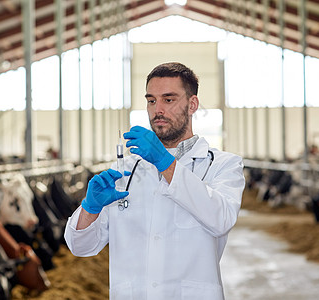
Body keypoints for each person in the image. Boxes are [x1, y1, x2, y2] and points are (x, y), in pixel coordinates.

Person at [64, 62, 245, 299]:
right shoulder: (125, 171)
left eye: (168, 100)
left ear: (192, 104)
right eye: (151, 100)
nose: (157, 109)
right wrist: (91, 208)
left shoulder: (221, 165)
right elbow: (81, 247)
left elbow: (221, 219)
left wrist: (164, 162)